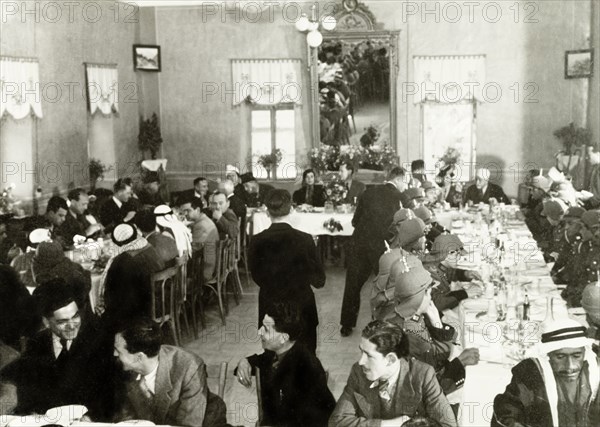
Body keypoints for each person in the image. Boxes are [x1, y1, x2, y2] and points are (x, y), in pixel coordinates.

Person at [0, 280, 117, 420]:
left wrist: (91, 416)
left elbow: (110, 394)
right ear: (46, 322)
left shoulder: (100, 342)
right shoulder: (37, 342)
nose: (72, 326)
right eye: (62, 322)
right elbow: (26, 383)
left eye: (75, 317)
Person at [329, 320, 457, 427]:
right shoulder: (359, 372)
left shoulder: (423, 375)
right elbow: (336, 422)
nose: (361, 361)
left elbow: (447, 424)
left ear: (390, 359)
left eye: (368, 355)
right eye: (361, 352)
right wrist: (386, 424)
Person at [248, 189, 326, 354]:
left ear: (267, 212)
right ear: (291, 210)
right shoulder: (305, 240)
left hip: (270, 308)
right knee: (306, 359)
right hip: (302, 309)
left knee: (273, 359)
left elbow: (257, 276)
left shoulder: (256, 241)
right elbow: (320, 281)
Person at [114, 318, 228, 427]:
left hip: (205, 421)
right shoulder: (125, 368)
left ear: (138, 357)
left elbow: (189, 425)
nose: (114, 354)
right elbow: (126, 417)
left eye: (118, 351)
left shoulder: (189, 367)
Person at [235, 302, 335, 427]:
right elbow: (258, 360)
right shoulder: (275, 353)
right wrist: (244, 361)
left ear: (283, 338)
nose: (259, 332)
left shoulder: (307, 368)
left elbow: (312, 420)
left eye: (266, 329)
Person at [492, 318, 600, 427]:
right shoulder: (531, 373)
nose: (570, 366)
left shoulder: (596, 371)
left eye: (577, 356)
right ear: (548, 355)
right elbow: (507, 411)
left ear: (585, 353)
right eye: (560, 357)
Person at [340, 167, 407, 337]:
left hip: (359, 243)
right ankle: (380, 324)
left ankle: (346, 325)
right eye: (404, 182)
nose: (405, 186)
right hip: (381, 247)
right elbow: (401, 228)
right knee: (384, 287)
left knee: (353, 285)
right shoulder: (400, 197)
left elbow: (355, 221)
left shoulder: (367, 192)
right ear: (398, 180)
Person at [99, 223, 164, 331]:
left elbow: (110, 296)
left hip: (140, 312)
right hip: (160, 300)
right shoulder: (147, 246)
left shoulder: (122, 260)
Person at [422, 234, 483, 312]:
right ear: (447, 254)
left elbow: (448, 273)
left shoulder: (438, 263)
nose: (459, 258)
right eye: (457, 254)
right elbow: (436, 303)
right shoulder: (429, 272)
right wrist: (465, 293)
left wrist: (465, 274)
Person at [179, 197, 218, 281]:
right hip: (212, 262)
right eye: (183, 211)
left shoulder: (201, 226)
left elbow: (192, 250)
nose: (185, 214)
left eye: (188, 211)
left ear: (197, 209)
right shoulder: (204, 220)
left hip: (206, 269)